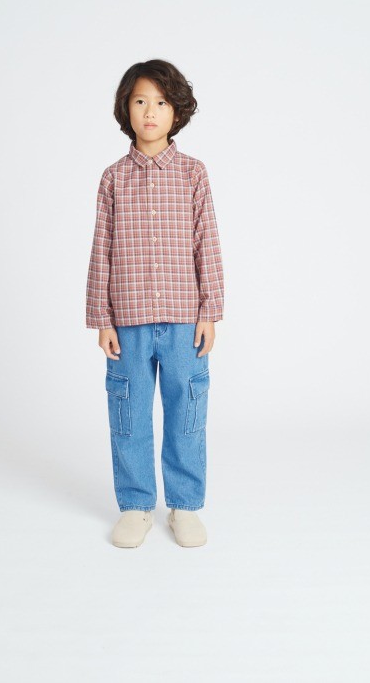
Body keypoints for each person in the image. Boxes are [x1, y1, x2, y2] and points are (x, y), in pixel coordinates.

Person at [85, 59, 224, 548]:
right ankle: (136, 506)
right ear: (126, 108)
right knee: (129, 414)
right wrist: (102, 319)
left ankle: (185, 506)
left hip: (185, 319)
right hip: (127, 321)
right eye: (140, 101)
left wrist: (210, 311)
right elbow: (101, 248)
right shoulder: (113, 179)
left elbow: (207, 243)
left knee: (187, 410)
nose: (150, 111)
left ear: (176, 111)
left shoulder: (193, 174)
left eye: (161, 102)